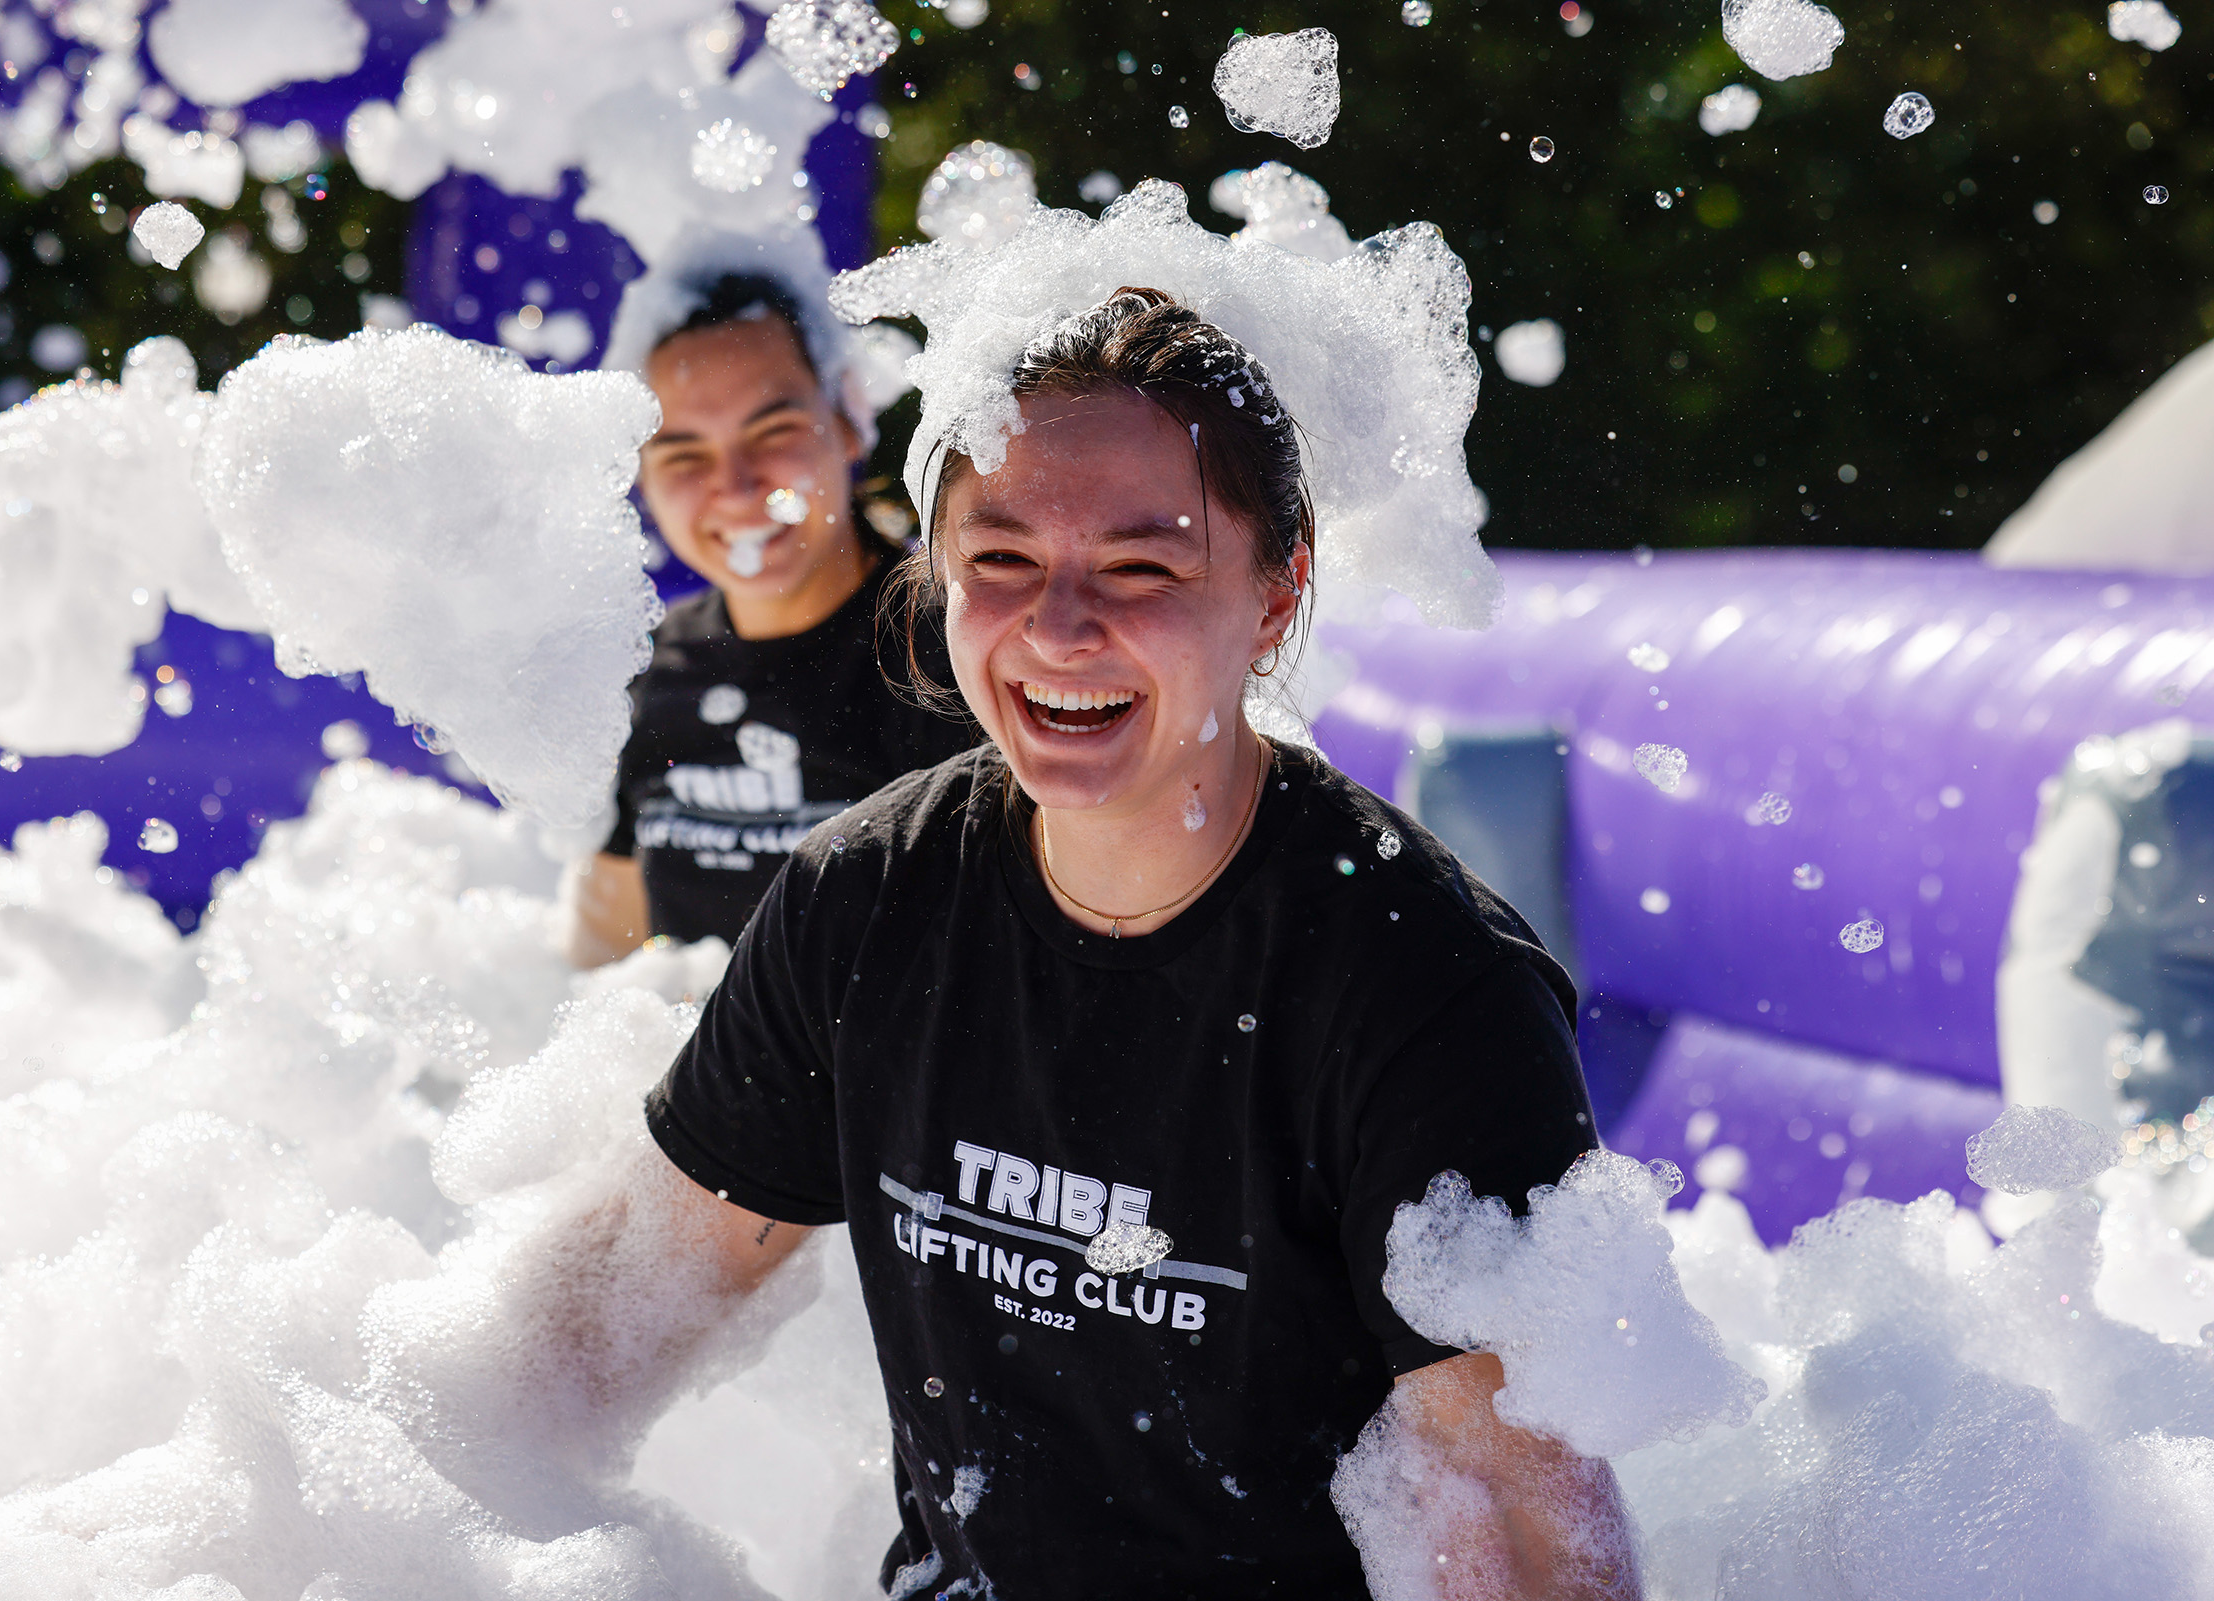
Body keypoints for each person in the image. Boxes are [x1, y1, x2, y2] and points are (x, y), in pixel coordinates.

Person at [572, 288, 1637, 1597]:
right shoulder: (862, 902)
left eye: (1142, 566)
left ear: (1275, 591)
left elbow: (1530, 1549)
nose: (1059, 629)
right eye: (1002, 559)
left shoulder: (1423, 991)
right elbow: (596, 1330)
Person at [566, 239, 970, 964]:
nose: (737, 485)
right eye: (684, 453)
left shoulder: (962, 650)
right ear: (643, 480)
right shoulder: (646, 675)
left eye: (774, 430)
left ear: (848, 419)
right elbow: (599, 965)